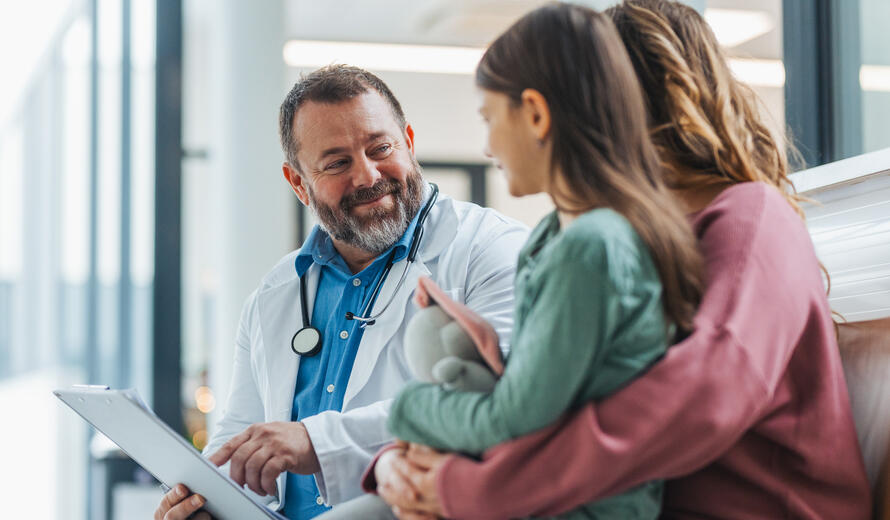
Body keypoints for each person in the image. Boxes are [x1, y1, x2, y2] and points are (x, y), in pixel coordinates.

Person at [370, 1, 873, 519]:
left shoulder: (750, 222)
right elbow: (548, 399)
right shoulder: (606, 237)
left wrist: (478, 489)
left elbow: (699, 404)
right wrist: (398, 461)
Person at [326, 4, 704, 519]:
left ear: (535, 114)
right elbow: (546, 388)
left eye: (489, 119)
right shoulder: (555, 236)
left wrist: (412, 410)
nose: (486, 146)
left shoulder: (593, 246)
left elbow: (516, 417)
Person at [153, 65, 528, 520]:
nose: (368, 176)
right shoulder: (276, 292)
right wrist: (206, 500)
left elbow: (501, 398)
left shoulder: (491, 248)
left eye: (380, 148)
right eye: (337, 163)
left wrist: (315, 441)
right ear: (298, 184)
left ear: (408, 142)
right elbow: (241, 433)